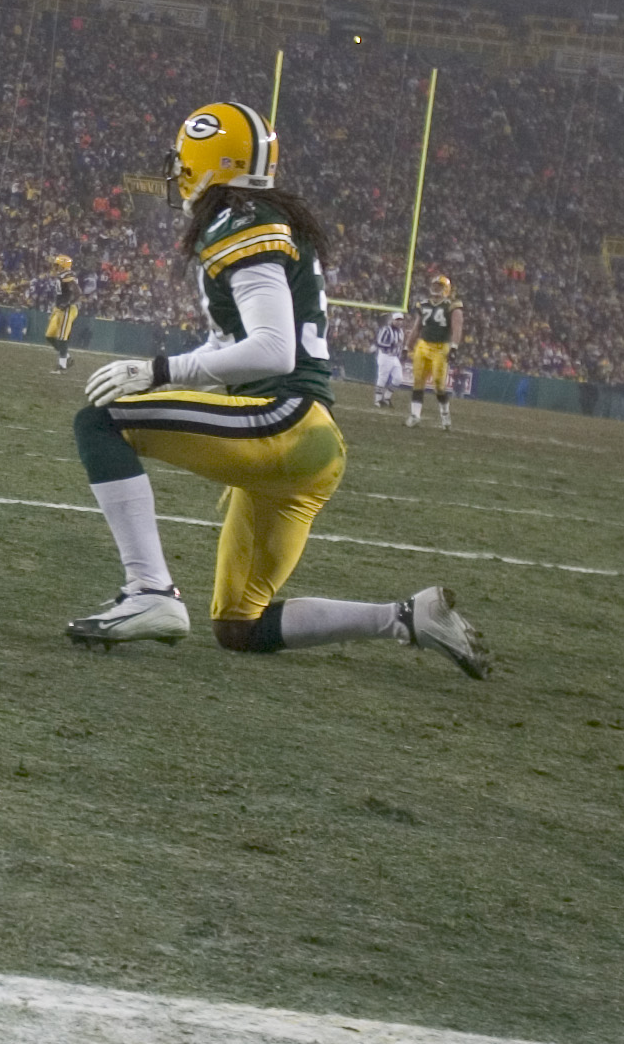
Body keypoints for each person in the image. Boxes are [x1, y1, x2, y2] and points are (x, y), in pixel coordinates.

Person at [65, 100, 489, 677]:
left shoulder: (242, 223)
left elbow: (272, 350)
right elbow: (234, 349)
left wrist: (160, 372)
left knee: (100, 421)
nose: (178, 172)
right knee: (241, 626)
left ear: (206, 162)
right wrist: (164, 369)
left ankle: (150, 591)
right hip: (310, 444)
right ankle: (407, 617)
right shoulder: (259, 218)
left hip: (282, 421)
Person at [407, 273, 463, 429]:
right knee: (418, 380)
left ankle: (445, 416)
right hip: (423, 345)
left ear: (446, 289)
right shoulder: (423, 304)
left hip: (440, 347)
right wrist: (408, 345)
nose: (436, 289)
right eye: (435, 285)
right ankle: (415, 416)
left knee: (439, 384)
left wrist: (454, 346)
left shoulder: (452, 305)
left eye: (440, 286)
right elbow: (416, 327)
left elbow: (457, 326)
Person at [43, 253, 81, 372]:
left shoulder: (68, 275)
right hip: (58, 309)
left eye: (58, 265)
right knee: (50, 336)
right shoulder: (61, 275)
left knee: (62, 337)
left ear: (64, 266)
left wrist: (68, 303)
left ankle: (62, 365)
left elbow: (77, 292)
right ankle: (67, 357)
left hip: (67, 309)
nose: (55, 267)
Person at [372, 312, 410, 409]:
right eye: (397, 320)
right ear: (392, 320)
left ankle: (386, 397)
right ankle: (378, 399)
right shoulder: (386, 329)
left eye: (400, 320)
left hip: (394, 357)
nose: (399, 322)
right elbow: (379, 342)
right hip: (385, 355)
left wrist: (401, 353)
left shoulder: (401, 331)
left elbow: (400, 345)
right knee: (382, 378)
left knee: (398, 378)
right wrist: (391, 344)